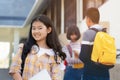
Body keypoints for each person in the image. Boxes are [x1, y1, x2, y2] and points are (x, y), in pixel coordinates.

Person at [9, 15, 66, 80]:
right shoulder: (24, 48)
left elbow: (56, 78)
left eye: (40, 28)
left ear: (49, 30)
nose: (36, 31)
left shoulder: (54, 55)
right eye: (34, 28)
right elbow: (14, 70)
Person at [79, 7, 112, 80]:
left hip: (91, 73)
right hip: (105, 73)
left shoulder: (88, 33)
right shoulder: (105, 32)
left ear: (88, 19)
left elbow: (83, 56)